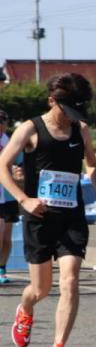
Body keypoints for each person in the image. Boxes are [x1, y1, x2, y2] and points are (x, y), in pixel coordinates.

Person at [1, 74, 96, 347]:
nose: (71, 117)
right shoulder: (30, 129)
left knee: (70, 280)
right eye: (67, 109)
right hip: (39, 217)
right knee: (41, 289)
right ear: (52, 101)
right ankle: (25, 308)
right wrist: (24, 199)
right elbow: (3, 166)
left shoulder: (81, 130)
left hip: (71, 217)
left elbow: (91, 163)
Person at [0, 109, 18, 284]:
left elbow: (21, 163)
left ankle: (2, 268)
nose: (1, 125)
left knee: (7, 237)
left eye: (3, 121)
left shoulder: (12, 142)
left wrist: (20, 172)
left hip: (10, 194)